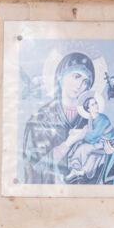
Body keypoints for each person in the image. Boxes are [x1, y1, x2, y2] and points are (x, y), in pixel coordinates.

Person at [21, 52, 94, 184]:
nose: (80, 85)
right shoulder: (39, 121)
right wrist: (68, 144)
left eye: (86, 82)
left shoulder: (91, 121)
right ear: (60, 77)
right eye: (76, 76)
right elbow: (33, 168)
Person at [64, 95, 114, 183]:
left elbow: (93, 136)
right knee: (79, 146)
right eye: (93, 105)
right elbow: (88, 130)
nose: (96, 105)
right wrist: (76, 132)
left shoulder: (103, 119)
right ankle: (75, 169)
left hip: (107, 144)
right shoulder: (91, 119)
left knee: (85, 148)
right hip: (98, 143)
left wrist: (80, 135)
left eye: (96, 103)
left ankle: (81, 171)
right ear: (88, 109)